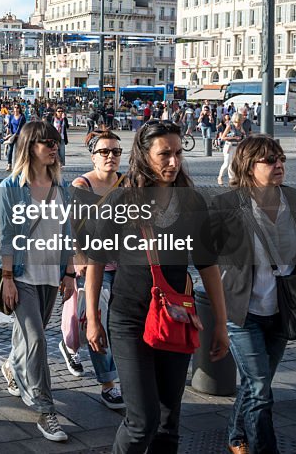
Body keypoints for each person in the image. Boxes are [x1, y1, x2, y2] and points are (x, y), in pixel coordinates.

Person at [84, 121, 229, 453]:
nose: (173, 162)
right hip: (129, 320)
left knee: (168, 422)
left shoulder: (192, 202)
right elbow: (94, 262)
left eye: (178, 153)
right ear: (144, 155)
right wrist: (92, 317)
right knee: (142, 421)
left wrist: (220, 323)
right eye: (165, 154)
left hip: (176, 317)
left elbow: (208, 265)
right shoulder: (120, 200)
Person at [211, 135, 296, 454]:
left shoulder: (295, 199)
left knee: (258, 384)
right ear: (248, 166)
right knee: (260, 389)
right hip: (243, 312)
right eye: (269, 160)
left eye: (281, 158)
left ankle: (235, 436)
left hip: (281, 308)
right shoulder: (227, 205)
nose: (278, 165)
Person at [0, 120, 76, 442]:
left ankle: (12, 366)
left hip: (50, 275)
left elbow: (67, 234)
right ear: (30, 147)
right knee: (38, 341)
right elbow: (6, 237)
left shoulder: (62, 187)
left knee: (32, 338)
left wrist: (69, 273)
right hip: (22, 276)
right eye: (47, 142)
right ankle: (45, 410)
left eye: (56, 142)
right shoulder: (11, 187)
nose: (54, 147)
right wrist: (7, 279)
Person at [64, 129, 125, 410]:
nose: (111, 156)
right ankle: (108, 384)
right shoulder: (82, 185)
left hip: (123, 264)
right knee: (94, 319)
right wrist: (79, 262)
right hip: (92, 266)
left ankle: (70, 344)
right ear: (93, 157)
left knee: (114, 322)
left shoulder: (127, 184)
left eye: (116, 151)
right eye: (104, 152)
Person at [219, 111, 252, 186]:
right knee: (227, 163)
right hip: (229, 146)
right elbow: (222, 137)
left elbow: (244, 134)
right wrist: (234, 137)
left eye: (239, 122)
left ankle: (232, 179)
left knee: (233, 163)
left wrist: (243, 136)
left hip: (237, 146)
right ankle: (220, 177)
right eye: (236, 122)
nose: (238, 124)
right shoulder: (230, 126)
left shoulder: (241, 126)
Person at [4, 104, 26, 171]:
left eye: (17, 107)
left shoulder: (22, 117)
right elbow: (9, 126)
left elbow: (23, 127)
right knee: (10, 150)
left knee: (20, 151)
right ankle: (9, 165)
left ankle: (20, 165)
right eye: (15, 107)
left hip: (19, 135)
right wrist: (7, 135)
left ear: (19, 109)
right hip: (12, 135)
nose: (16, 109)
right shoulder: (11, 116)